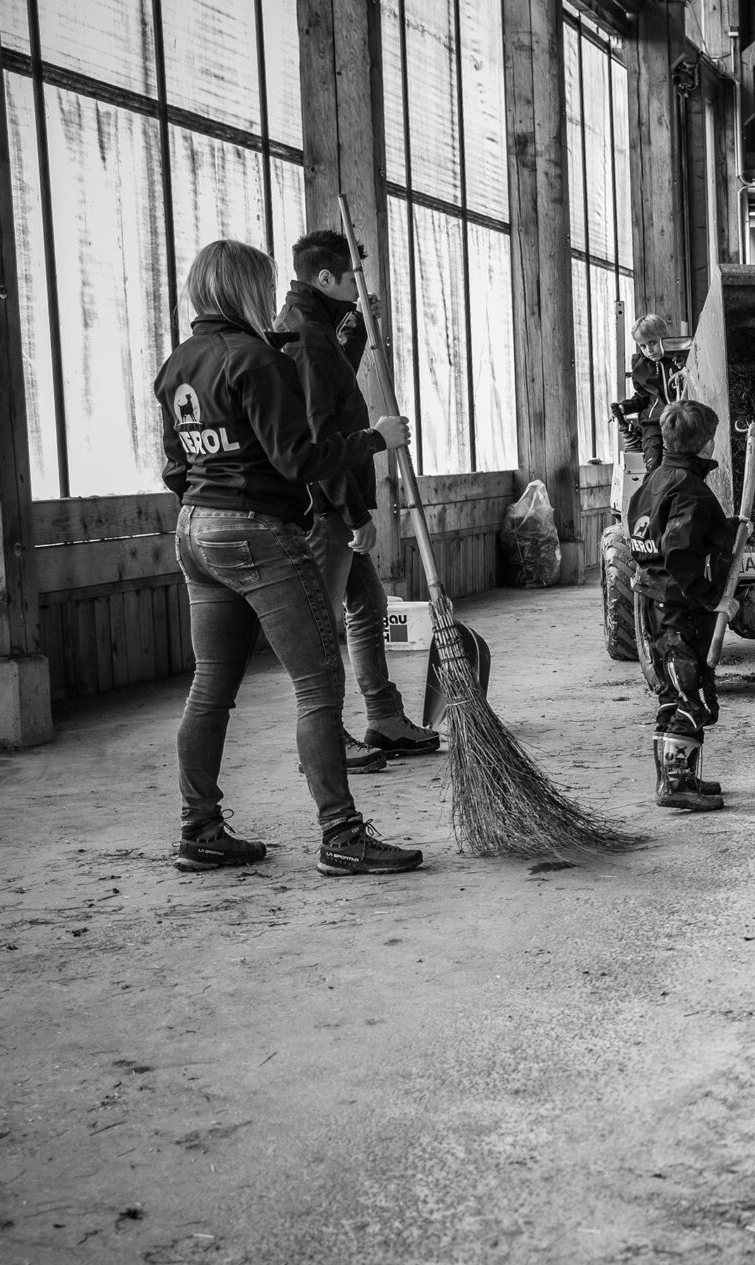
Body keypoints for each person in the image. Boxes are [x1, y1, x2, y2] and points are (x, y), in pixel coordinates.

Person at [155, 238, 426, 876]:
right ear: (245, 288)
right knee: (318, 682)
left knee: (210, 687)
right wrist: (373, 441)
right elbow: (299, 459)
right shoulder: (254, 359)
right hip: (255, 531)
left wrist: (210, 498)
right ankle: (341, 833)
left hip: (195, 528)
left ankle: (200, 829)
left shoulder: (177, 365)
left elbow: (175, 465)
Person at [272, 229, 441, 768]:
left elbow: (335, 384)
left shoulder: (312, 324)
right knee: (323, 626)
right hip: (328, 506)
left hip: (340, 499)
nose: (359, 284)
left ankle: (384, 718)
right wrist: (353, 512)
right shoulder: (309, 337)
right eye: (352, 277)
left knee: (368, 604)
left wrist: (361, 328)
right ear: (326, 277)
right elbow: (319, 434)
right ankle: (325, 739)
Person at [628, 399, 732, 812]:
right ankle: (674, 786)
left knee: (672, 693)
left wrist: (725, 530)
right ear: (705, 444)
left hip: (651, 602)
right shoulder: (690, 489)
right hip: (679, 608)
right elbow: (678, 550)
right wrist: (714, 598)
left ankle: (680, 777)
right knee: (694, 696)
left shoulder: (652, 481)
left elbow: (650, 538)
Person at [620, 313, 681, 472]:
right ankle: (652, 491)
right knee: (653, 464)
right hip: (653, 423)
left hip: (680, 421)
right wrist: (624, 408)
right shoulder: (640, 369)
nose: (649, 350)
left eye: (653, 342)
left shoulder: (679, 360)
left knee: (679, 464)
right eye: (643, 346)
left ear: (664, 336)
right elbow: (641, 398)